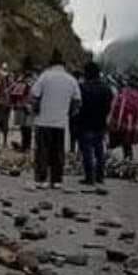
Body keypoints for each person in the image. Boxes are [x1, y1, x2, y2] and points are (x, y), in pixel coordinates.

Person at [30, 49, 81, 188]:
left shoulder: (45, 76)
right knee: (58, 152)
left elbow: (34, 96)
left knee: (42, 151)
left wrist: (36, 110)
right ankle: (57, 180)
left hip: (43, 121)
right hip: (61, 122)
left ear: (51, 64)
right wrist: (69, 113)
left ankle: (41, 179)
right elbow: (77, 101)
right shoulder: (71, 80)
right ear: (63, 65)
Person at [77, 61, 114, 185]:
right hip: (100, 123)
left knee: (87, 151)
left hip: (85, 123)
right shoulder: (106, 89)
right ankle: (100, 176)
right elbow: (110, 106)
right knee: (99, 151)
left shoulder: (82, 88)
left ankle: (89, 177)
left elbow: (78, 105)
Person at [9, 63, 35, 152]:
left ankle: (26, 146)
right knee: (25, 128)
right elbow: (14, 94)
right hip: (25, 108)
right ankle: (26, 146)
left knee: (26, 128)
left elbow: (14, 94)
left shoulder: (26, 84)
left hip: (26, 108)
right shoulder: (24, 84)